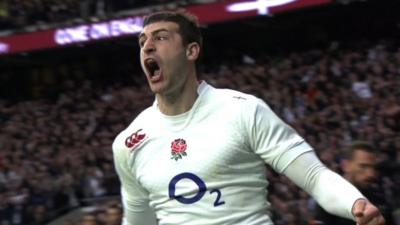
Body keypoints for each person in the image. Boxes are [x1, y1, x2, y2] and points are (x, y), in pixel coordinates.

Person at [112, 11, 385, 225]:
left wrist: (356, 203)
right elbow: (138, 221)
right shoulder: (128, 143)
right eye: (142, 41)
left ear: (191, 51)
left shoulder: (243, 110)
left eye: (160, 37)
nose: (147, 46)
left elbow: (314, 177)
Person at [314, 141, 396, 225]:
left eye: (373, 168)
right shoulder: (328, 199)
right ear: (345, 166)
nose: (371, 174)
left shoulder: (380, 200)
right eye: (363, 166)